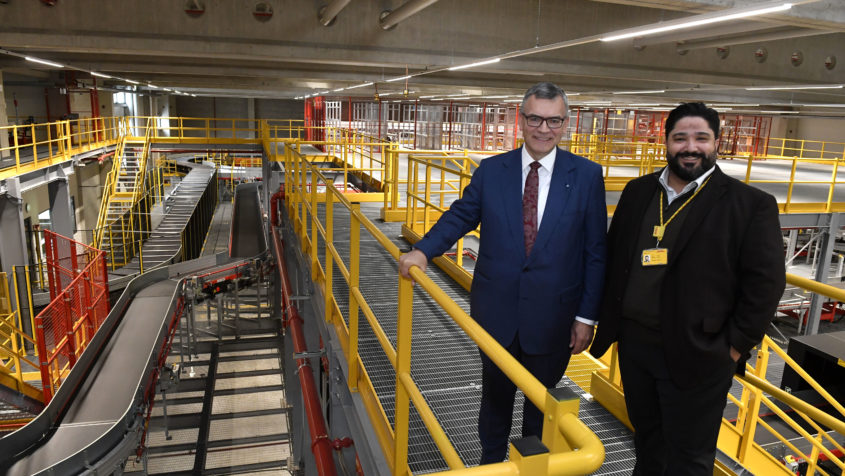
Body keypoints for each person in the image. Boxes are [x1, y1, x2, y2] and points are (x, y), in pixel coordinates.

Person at [398, 82, 606, 464]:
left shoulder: (587, 176)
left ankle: (534, 465)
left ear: (566, 124)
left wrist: (586, 317)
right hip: (496, 312)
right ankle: (491, 463)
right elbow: (461, 215)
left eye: (554, 121)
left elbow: (595, 251)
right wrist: (423, 251)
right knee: (495, 398)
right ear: (520, 120)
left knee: (541, 404)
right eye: (535, 119)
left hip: (555, 317)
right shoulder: (493, 170)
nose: (544, 129)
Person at [590, 102, 785, 475]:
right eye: (680, 138)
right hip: (635, 347)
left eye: (701, 138)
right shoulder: (638, 192)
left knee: (690, 457)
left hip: (700, 352)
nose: (690, 147)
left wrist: (732, 348)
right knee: (647, 444)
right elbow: (615, 258)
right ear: (666, 141)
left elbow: (766, 283)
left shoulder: (749, 205)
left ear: (717, 143)